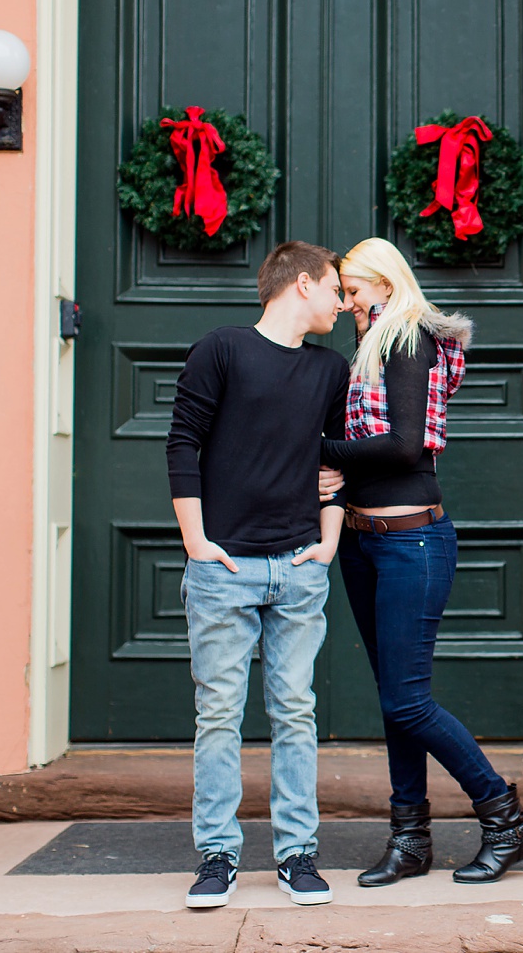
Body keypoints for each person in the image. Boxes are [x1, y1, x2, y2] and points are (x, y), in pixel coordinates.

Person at [320, 237, 523, 887]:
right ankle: (410, 837)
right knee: (397, 701)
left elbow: (406, 445)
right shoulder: (377, 337)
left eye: (354, 290)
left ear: (385, 282)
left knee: (409, 701)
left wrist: (317, 447)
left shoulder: (408, 336)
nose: (345, 303)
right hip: (367, 539)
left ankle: (505, 817)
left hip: (411, 539)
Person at [165, 240, 349, 909]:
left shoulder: (331, 370)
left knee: (295, 711)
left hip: (298, 567)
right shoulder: (222, 349)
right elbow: (182, 441)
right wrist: (197, 541)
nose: (342, 302)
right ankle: (216, 855)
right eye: (335, 288)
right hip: (225, 568)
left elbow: (332, 463)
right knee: (218, 714)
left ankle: (298, 854)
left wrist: (328, 543)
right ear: (303, 285)